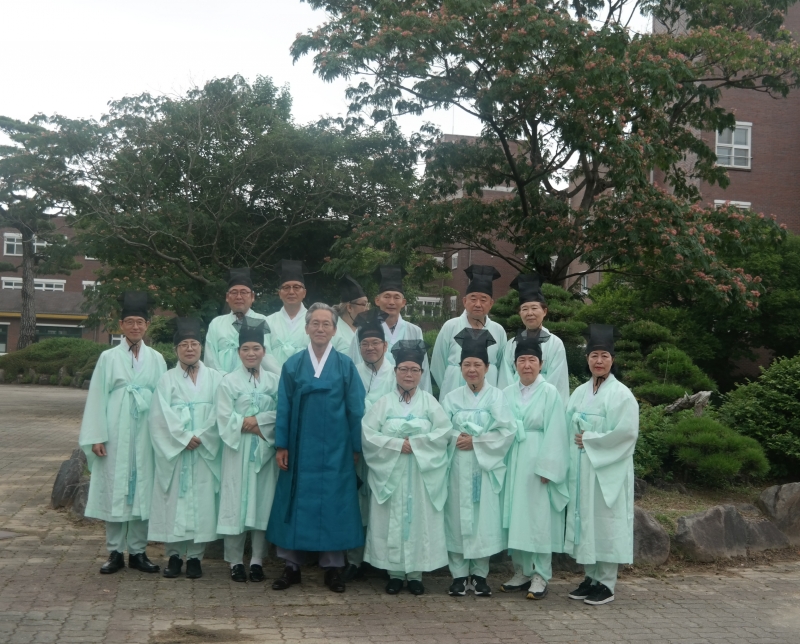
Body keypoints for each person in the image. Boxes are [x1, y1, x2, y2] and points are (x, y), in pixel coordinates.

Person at [268, 303, 366, 593]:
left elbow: (356, 408)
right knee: (295, 500)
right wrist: (282, 445)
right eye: (315, 323)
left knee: (335, 502)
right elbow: (283, 406)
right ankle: (291, 566)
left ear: (335, 331)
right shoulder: (293, 365)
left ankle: (333, 568)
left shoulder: (345, 365)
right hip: (300, 446)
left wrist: (355, 446)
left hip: (337, 448)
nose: (320, 328)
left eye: (326, 324)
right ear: (307, 328)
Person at [78, 291, 167, 574]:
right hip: (115, 430)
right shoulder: (108, 357)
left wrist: (163, 436)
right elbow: (97, 397)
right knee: (114, 487)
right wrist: (96, 436)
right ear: (121, 325)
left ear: (147, 325)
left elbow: (164, 399)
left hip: (145, 432)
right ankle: (115, 552)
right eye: (130, 322)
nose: (135, 327)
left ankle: (138, 552)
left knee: (143, 488)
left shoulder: (157, 359)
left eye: (140, 322)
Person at [361, 340, 453, 596]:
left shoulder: (430, 402)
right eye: (403, 369)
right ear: (395, 371)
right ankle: (394, 573)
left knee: (418, 519)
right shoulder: (383, 403)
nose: (409, 374)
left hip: (421, 474)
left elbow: (444, 432)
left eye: (414, 369)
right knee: (391, 519)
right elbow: (368, 434)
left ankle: (415, 574)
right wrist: (396, 444)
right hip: (391, 472)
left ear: (421, 373)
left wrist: (417, 444)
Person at [564, 324, 639, 606]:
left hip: (608, 470)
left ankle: (607, 582)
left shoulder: (622, 394)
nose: (598, 361)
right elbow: (567, 427)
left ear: (612, 359)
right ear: (587, 359)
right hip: (583, 469)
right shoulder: (580, 392)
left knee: (606, 522)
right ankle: (591, 576)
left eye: (604, 356)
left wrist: (591, 439)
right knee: (586, 521)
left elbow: (627, 434)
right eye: (594, 355)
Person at [442, 329, 515, 597]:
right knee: (456, 517)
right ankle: (459, 576)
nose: (471, 370)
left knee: (483, 518)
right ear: (460, 368)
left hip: (485, 467)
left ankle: (480, 575)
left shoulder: (497, 397)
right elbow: (440, 430)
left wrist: (478, 441)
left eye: (477, 365)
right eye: (466, 365)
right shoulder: (451, 398)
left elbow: (507, 430)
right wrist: (456, 437)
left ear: (487, 367)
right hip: (457, 465)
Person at [148, 318, 223, 580]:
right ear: (176, 349)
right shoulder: (166, 380)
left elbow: (221, 411)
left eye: (194, 344)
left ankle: (195, 558)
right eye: (183, 344)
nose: (189, 348)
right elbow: (159, 416)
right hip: (177, 451)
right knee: (175, 502)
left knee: (202, 502)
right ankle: (174, 555)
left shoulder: (215, 378)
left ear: (201, 347)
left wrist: (201, 436)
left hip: (203, 449)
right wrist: (182, 437)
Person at [500, 333, 569, 600]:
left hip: (538, 459)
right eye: (521, 360)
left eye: (532, 360)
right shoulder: (506, 393)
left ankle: (541, 574)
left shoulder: (550, 393)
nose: (526, 365)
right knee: (516, 514)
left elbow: (556, 431)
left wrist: (548, 467)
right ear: (515, 364)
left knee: (539, 517)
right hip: (513, 458)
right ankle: (521, 570)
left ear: (541, 364)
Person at [215, 318, 281, 583]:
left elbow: (280, 413)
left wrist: (257, 422)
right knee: (236, 501)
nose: (251, 353)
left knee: (262, 502)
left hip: (265, 450)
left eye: (256, 348)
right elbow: (223, 415)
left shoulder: (275, 381)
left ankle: (257, 560)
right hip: (237, 449)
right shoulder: (228, 382)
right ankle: (234, 561)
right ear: (238, 352)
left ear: (264, 351)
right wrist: (252, 424)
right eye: (245, 349)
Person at [343, 308, 397, 583]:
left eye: (376, 342)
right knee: (356, 503)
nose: (370, 348)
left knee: (382, 502)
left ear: (385, 346)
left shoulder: (396, 374)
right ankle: (354, 560)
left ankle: (384, 560)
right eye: (365, 343)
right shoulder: (352, 373)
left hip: (385, 449)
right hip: (356, 448)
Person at [348, 265, 432, 393]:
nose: (391, 302)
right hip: (370, 392)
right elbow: (354, 363)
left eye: (396, 297)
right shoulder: (364, 329)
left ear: (403, 302)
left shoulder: (414, 331)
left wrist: (422, 398)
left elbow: (422, 369)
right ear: (377, 300)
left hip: (405, 395)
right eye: (386, 296)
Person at [431, 265, 507, 399]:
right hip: (453, 392)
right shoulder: (451, 326)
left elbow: (502, 366)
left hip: (489, 395)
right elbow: (438, 364)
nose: (478, 304)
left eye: (483, 300)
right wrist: (450, 382)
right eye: (473, 299)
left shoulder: (498, 330)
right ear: (465, 301)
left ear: (491, 304)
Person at [497, 274, 570, 405]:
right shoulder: (511, 344)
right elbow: (505, 380)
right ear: (520, 313)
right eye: (524, 309)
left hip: (544, 405)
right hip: (514, 405)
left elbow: (558, 381)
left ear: (544, 311)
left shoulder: (555, 344)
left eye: (534, 308)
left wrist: (535, 402)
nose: (529, 313)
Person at [205, 267, 280, 375]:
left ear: (252, 296)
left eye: (244, 292)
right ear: (227, 297)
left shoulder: (263, 321)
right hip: (222, 382)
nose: (239, 297)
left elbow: (270, 358)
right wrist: (225, 380)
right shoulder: (216, 324)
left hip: (256, 382)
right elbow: (210, 359)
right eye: (234, 292)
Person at [265, 260, 310, 368]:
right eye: (286, 287)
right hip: (275, 376)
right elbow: (264, 354)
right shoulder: (268, 321)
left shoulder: (314, 320)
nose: (291, 292)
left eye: (296, 287)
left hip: (307, 376)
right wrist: (280, 375)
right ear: (280, 293)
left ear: (304, 293)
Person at [331, 274, 370, 354]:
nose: (367, 309)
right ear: (349, 307)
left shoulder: (366, 328)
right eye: (363, 304)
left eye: (368, 305)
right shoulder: (333, 330)